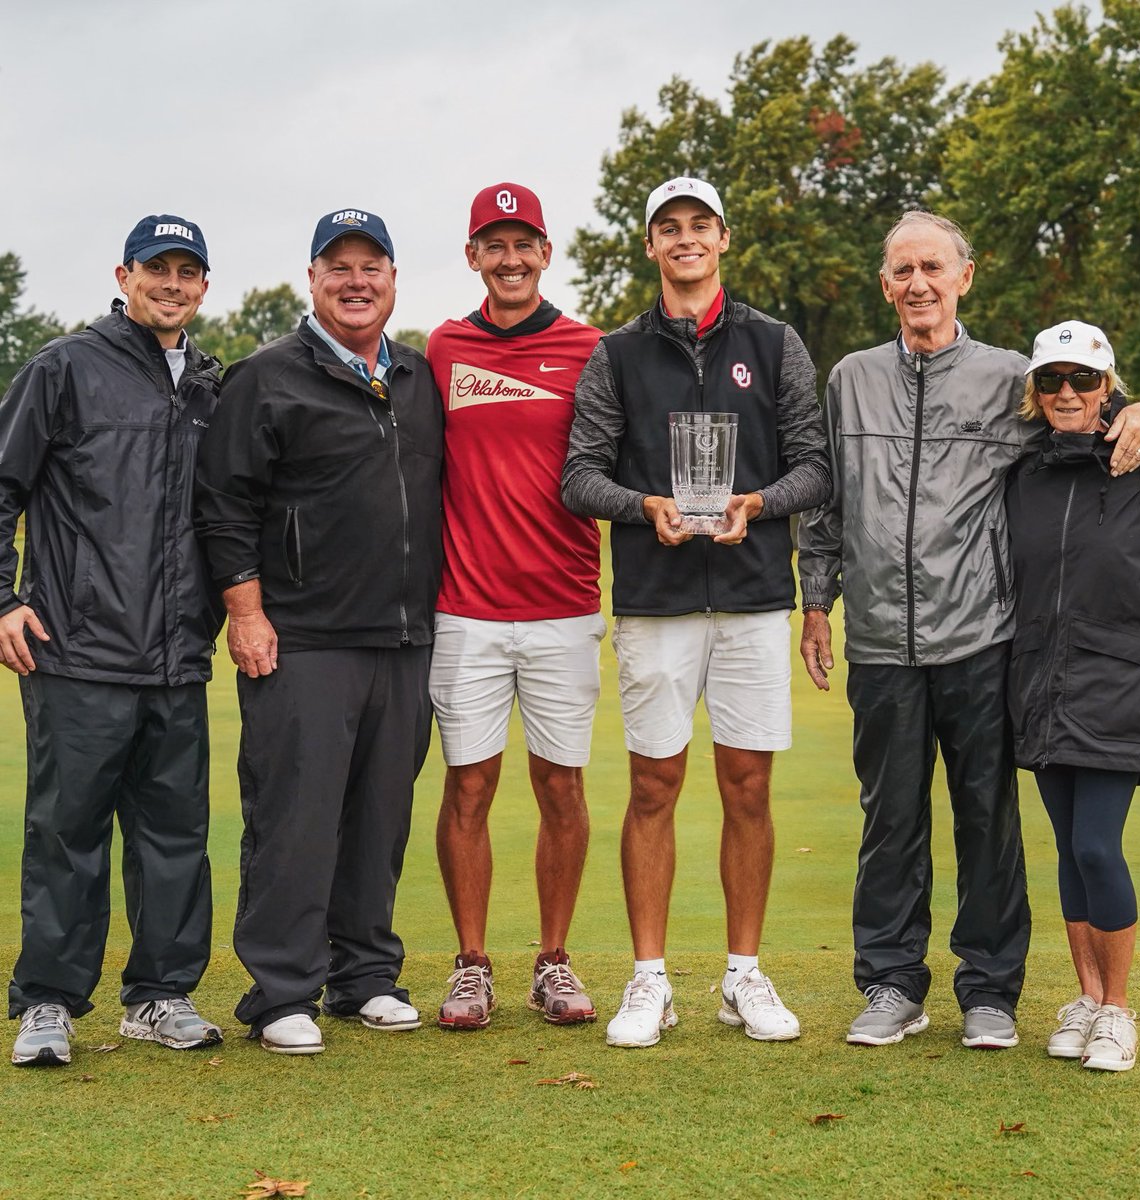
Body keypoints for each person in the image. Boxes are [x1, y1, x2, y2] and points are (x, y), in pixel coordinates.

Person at [796, 211, 1140, 1051]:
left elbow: (1092, 420)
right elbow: (828, 504)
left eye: (933, 267)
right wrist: (817, 602)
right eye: (902, 270)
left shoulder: (1006, 377)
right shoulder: (850, 378)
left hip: (982, 638)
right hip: (879, 640)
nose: (918, 283)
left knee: (987, 819)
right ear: (884, 285)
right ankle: (892, 983)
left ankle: (990, 991)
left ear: (965, 276)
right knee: (889, 821)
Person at [562, 176, 831, 1048]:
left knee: (748, 786)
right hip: (657, 601)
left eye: (700, 225)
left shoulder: (774, 342)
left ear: (723, 238)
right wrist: (646, 507)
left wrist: (759, 501)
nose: (685, 238)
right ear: (650, 245)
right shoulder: (617, 354)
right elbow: (580, 477)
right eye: (669, 227)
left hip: (753, 598)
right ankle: (650, 979)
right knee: (653, 786)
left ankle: (743, 975)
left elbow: (815, 467)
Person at [194, 209, 442, 1056]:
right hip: (301, 638)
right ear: (312, 279)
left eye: (372, 266)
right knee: (295, 819)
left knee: (380, 819)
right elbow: (224, 505)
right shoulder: (266, 377)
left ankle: (364, 976)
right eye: (339, 267)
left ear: (394, 279)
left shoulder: (415, 376)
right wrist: (246, 612)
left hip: (403, 638)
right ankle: (281, 990)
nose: (356, 281)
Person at [1, 215, 223, 1066]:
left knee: (176, 840)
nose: (172, 284)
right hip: (76, 649)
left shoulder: (209, 386)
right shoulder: (63, 368)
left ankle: (160, 996)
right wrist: (2, 599)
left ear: (203, 286)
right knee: (68, 836)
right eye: (156, 268)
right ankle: (48, 1003)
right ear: (124, 276)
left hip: (175, 656)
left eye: (187, 272)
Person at [425, 183, 604, 1030]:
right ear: (473, 257)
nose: (510, 259)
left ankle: (553, 961)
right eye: (493, 245)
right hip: (466, 607)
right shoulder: (443, 347)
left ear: (546, 253)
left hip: (564, 605)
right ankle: (471, 966)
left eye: (523, 243)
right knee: (469, 784)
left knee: (560, 784)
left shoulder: (589, 348)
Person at [1005, 320, 1140, 1072]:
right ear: (1035, 389)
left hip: (1124, 688)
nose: (1066, 392)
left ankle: (1118, 1011)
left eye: (1082, 380)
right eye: (1051, 379)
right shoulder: (1024, 471)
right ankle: (1087, 998)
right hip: (1042, 684)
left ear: (1107, 387)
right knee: (1069, 850)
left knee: (1096, 844)